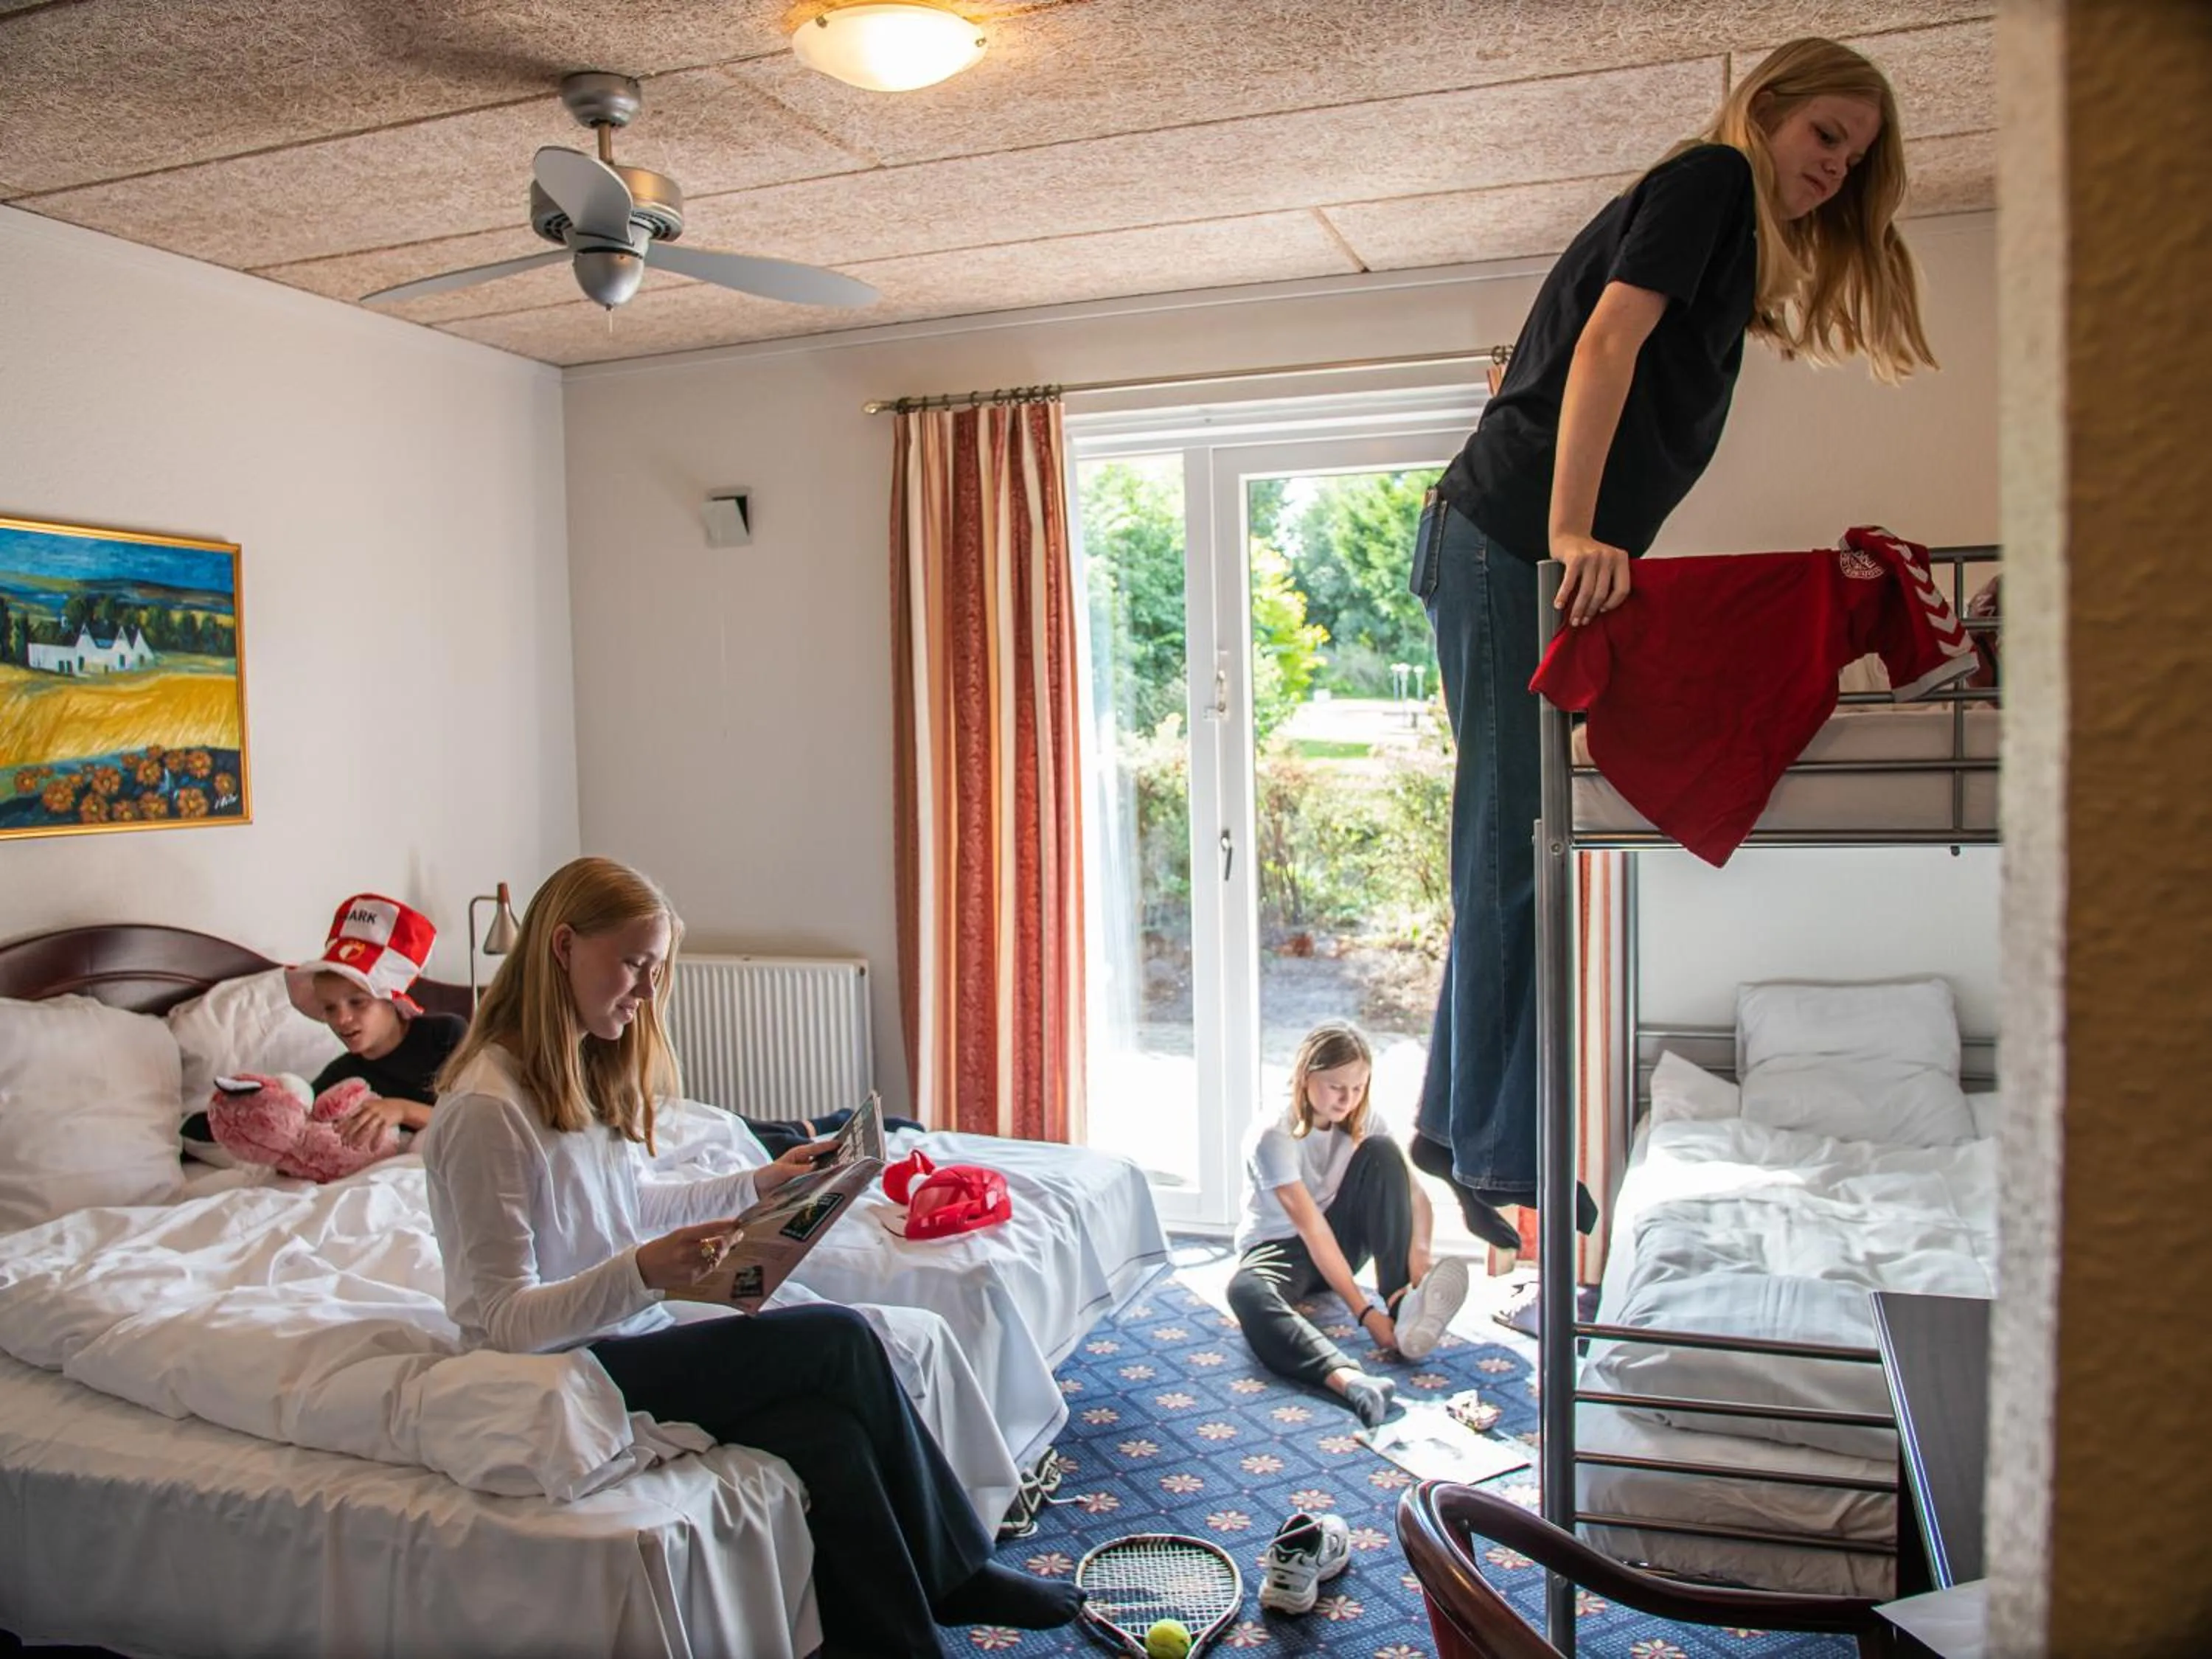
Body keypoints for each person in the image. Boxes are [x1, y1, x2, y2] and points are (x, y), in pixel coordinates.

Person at [1409, 37, 1937, 1248]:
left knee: (1518, 840)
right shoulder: (1706, 179)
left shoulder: (1733, 232)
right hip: (1506, 538)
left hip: (1507, 546)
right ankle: (1499, 1148)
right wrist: (1576, 533)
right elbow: (1604, 346)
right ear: (1767, 110)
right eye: (1824, 138)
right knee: (1513, 840)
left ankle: (1458, 1129)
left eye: (1855, 159)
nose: (1835, 169)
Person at [415, 856, 1079, 1659]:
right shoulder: (487, 1110)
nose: (647, 992)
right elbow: (502, 1323)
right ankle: (958, 1572)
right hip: (554, 1375)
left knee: (827, 1435)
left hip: (621, 1335)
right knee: (839, 1341)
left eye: (656, 971)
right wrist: (645, 1272)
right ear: (562, 947)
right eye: (635, 965)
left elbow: (629, 1207)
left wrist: (761, 1184)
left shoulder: (572, 1072)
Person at [1225, 1020, 1472, 1428]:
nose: (1348, 1098)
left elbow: (1416, 1197)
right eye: (1337, 1086)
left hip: (1339, 1241)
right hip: (1281, 1247)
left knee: (1383, 1152)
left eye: (1358, 1087)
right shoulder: (1273, 1133)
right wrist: (1363, 1313)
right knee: (1245, 1291)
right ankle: (1351, 1380)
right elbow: (1311, 1230)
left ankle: (1400, 1302)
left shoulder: (1363, 1117)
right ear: (1306, 1077)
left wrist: (1419, 1267)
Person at [180, 892, 465, 1154]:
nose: (341, 1019)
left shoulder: (445, 1035)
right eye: (329, 1008)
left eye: (358, 1002)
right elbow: (294, 1118)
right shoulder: (343, 1075)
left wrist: (402, 1110)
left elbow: (475, 1116)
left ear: (391, 1000)